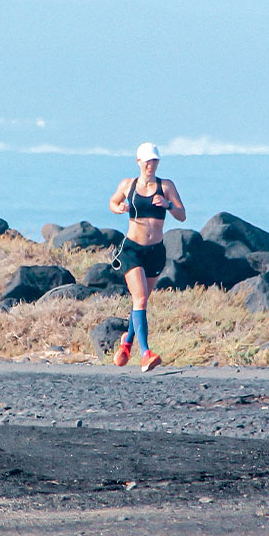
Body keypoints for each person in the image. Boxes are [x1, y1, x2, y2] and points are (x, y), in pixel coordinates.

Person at [108, 142, 186, 371]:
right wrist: (119, 207)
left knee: (140, 302)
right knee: (140, 299)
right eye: (147, 161)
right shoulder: (128, 185)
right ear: (138, 162)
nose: (151, 165)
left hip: (155, 251)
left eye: (154, 161)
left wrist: (168, 204)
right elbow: (112, 202)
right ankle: (146, 354)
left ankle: (126, 344)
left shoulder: (166, 186)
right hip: (132, 250)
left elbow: (182, 215)